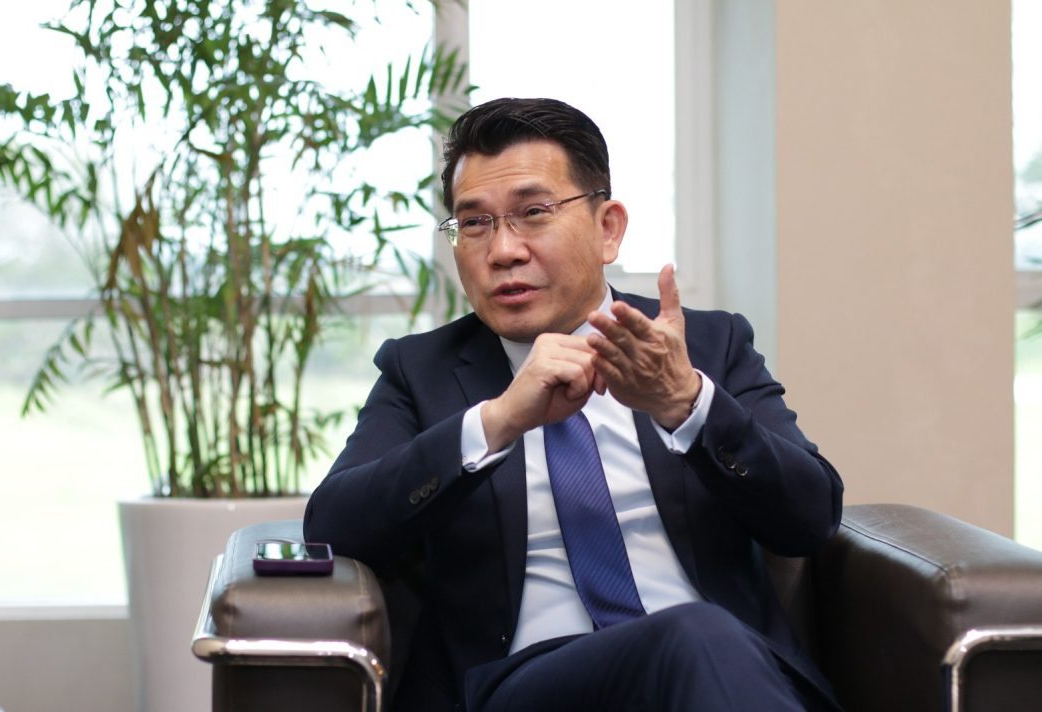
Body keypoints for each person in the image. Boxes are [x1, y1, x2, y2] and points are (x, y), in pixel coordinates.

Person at [304, 97, 844, 711]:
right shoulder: (420, 370)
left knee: (697, 638)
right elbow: (334, 527)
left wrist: (686, 404)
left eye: (533, 213)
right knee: (694, 635)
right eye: (474, 223)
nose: (502, 251)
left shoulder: (706, 345)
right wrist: (498, 421)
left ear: (607, 228)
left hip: (718, 672)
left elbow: (809, 518)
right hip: (525, 685)